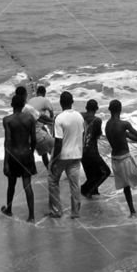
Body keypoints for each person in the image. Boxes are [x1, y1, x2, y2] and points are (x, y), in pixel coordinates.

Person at [0, 94, 37, 221]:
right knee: (28, 186)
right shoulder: (30, 118)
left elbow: (8, 142)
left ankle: (9, 210)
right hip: (26, 154)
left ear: (12, 105)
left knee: (11, 184)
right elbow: (34, 139)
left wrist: (6, 163)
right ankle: (31, 216)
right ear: (23, 105)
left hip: (14, 156)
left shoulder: (7, 120)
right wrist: (31, 153)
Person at [48, 91, 83, 219]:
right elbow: (82, 135)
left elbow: (58, 142)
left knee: (53, 181)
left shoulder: (59, 118)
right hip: (76, 155)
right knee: (75, 184)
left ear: (60, 103)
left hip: (62, 156)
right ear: (72, 102)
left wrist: (54, 159)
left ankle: (56, 211)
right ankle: (75, 212)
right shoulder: (79, 116)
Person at [14, 85, 52, 170]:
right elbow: (41, 117)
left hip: (24, 138)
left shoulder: (15, 109)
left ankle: (47, 170)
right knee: (55, 149)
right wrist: (53, 121)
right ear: (25, 95)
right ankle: (53, 172)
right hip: (37, 134)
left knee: (39, 153)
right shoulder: (27, 108)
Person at [80, 99, 110, 198]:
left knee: (91, 175)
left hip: (81, 152)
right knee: (105, 172)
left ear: (86, 108)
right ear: (96, 109)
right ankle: (85, 190)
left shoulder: (80, 116)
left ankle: (93, 198)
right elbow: (98, 134)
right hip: (92, 152)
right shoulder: (97, 120)